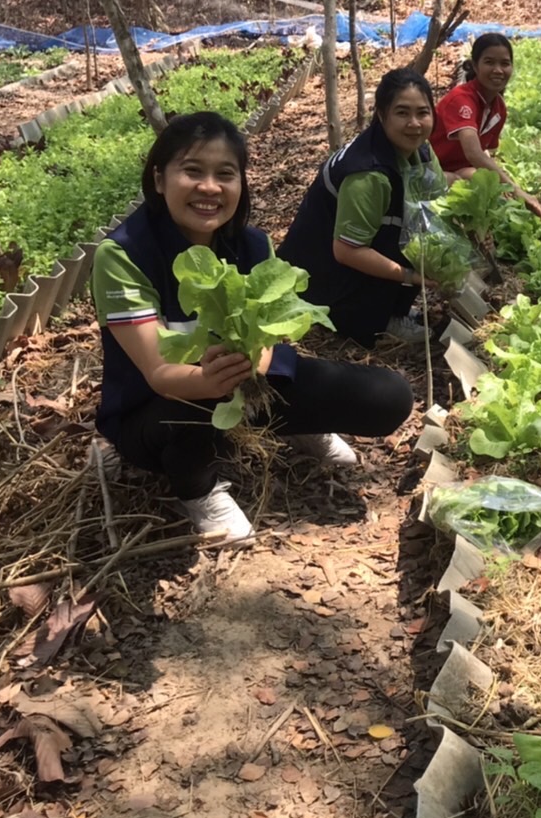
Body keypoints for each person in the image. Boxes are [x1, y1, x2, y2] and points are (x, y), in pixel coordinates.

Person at [91, 112, 414, 540]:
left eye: (225, 174)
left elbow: (270, 334)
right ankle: (199, 489)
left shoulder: (252, 243)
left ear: (241, 183)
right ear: (158, 179)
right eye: (192, 171)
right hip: (159, 409)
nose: (209, 188)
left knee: (388, 396)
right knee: (186, 411)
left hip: (245, 383)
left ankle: (295, 427)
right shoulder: (123, 254)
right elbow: (159, 373)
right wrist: (212, 379)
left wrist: (256, 361)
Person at [280, 68, 448, 346]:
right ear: (381, 115)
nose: (415, 123)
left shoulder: (421, 152)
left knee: (416, 229)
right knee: (402, 234)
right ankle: (377, 321)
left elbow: (438, 206)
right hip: (321, 275)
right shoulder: (368, 174)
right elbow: (348, 250)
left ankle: (395, 309)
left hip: (347, 256)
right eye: (402, 113)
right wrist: (409, 276)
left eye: (423, 112)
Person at [428, 33, 541, 219]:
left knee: (483, 183)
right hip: (428, 168)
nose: (498, 70)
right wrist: (515, 189)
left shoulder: (498, 108)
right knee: (466, 182)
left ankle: (484, 231)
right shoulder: (462, 100)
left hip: (458, 169)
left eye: (505, 64)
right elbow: (473, 153)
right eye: (489, 62)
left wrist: (501, 186)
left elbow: (485, 153)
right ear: (475, 66)